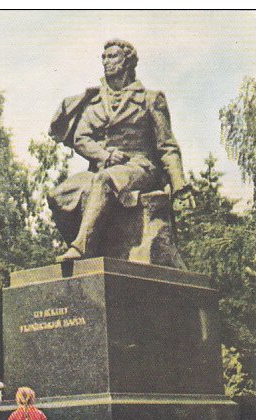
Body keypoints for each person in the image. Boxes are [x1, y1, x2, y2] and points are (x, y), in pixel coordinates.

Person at [48, 39, 195, 261]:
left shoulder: (150, 99)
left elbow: (167, 146)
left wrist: (180, 185)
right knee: (58, 195)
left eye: (112, 57)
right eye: (104, 58)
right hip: (105, 168)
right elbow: (81, 138)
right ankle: (93, 249)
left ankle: (82, 248)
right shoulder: (95, 103)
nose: (106, 62)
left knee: (105, 180)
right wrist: (105, 155)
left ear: (127, 62)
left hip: (141, 167)